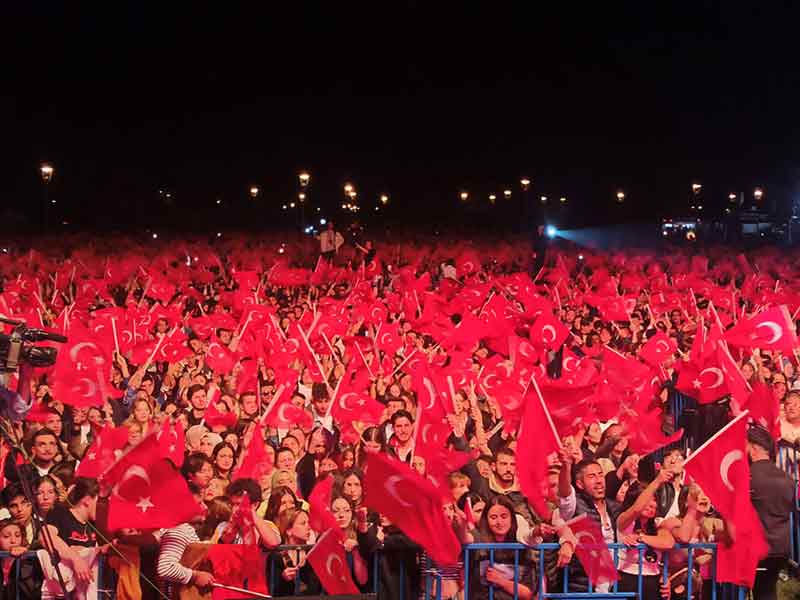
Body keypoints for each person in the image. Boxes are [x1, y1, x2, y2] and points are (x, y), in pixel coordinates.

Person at [747, 425, 795, 600]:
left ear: (753, 448)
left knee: (761, 592)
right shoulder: (788, 479)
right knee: (767, 591)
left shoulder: (748, 477)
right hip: (781, 548)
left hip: (758, 548)